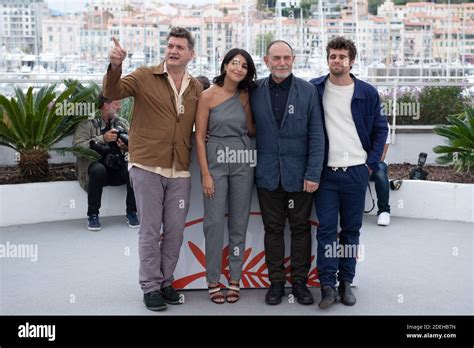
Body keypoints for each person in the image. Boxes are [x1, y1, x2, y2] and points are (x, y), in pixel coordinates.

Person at [103, 27, 203, 311]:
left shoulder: (196, 87)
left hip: (180, 168)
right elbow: (112, 91)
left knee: (174, 230)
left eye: (179, 47)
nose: (173, 50)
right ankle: (150, 286)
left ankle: (166, 281)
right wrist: (115, 65)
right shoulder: (145, 76)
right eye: (170, 45)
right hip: (146, 165)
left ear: (191, 54)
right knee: (149, 230)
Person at [310, 37, 388, 309]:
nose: (337, 61)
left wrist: (371, 164)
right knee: (327, 231)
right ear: (327, 58)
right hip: (326, 174)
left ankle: (346, 282)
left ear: (351, 61)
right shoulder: (315, 89)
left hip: (356, 172)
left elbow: (381, 130)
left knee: (352, 231)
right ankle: (328, 286)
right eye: (333, 56)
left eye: (342, 57)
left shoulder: (367, 92)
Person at [250, 40, 325, 306]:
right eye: (276, 58)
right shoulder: (253, 90)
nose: (282, 63)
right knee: (272, 229)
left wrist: (313, 173)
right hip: (267, 175)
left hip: (300, 176)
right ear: (266, 60)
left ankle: (301, 283)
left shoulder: (308, 91)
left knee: (301, 229)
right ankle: (277, 283)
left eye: (286, 58)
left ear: (293, 59)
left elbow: (317, 135)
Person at [195, 48, 257, 304]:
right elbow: (199, 137)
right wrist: (206, 175)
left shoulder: (245, 96)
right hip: (216, 159)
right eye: (234, 63)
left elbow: (252, 129)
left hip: (243, 158)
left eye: (243, 66)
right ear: (225, 65)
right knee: (213, 223)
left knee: (239, 223)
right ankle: (212, 280)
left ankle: (234, 278)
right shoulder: (207, 96)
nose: (238, 68)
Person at [73, 93, 139, 231]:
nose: (120, 107)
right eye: (117, 103)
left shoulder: (122, 123)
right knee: (98, 169)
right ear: (106, 105)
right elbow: (76, 149)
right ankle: (93, 215)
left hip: (116, 169)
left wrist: (126, 147)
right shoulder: (87, 124)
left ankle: (132, 212)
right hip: (95, 174)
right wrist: (102, 138)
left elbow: (137, 146)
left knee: (134, 168)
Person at [371, 127, 391, 226]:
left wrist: (368, 166)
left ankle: (384, 211)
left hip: (377, 162)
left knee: (380, 172)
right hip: (358, 161)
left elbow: (382, 155)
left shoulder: (384, 125)